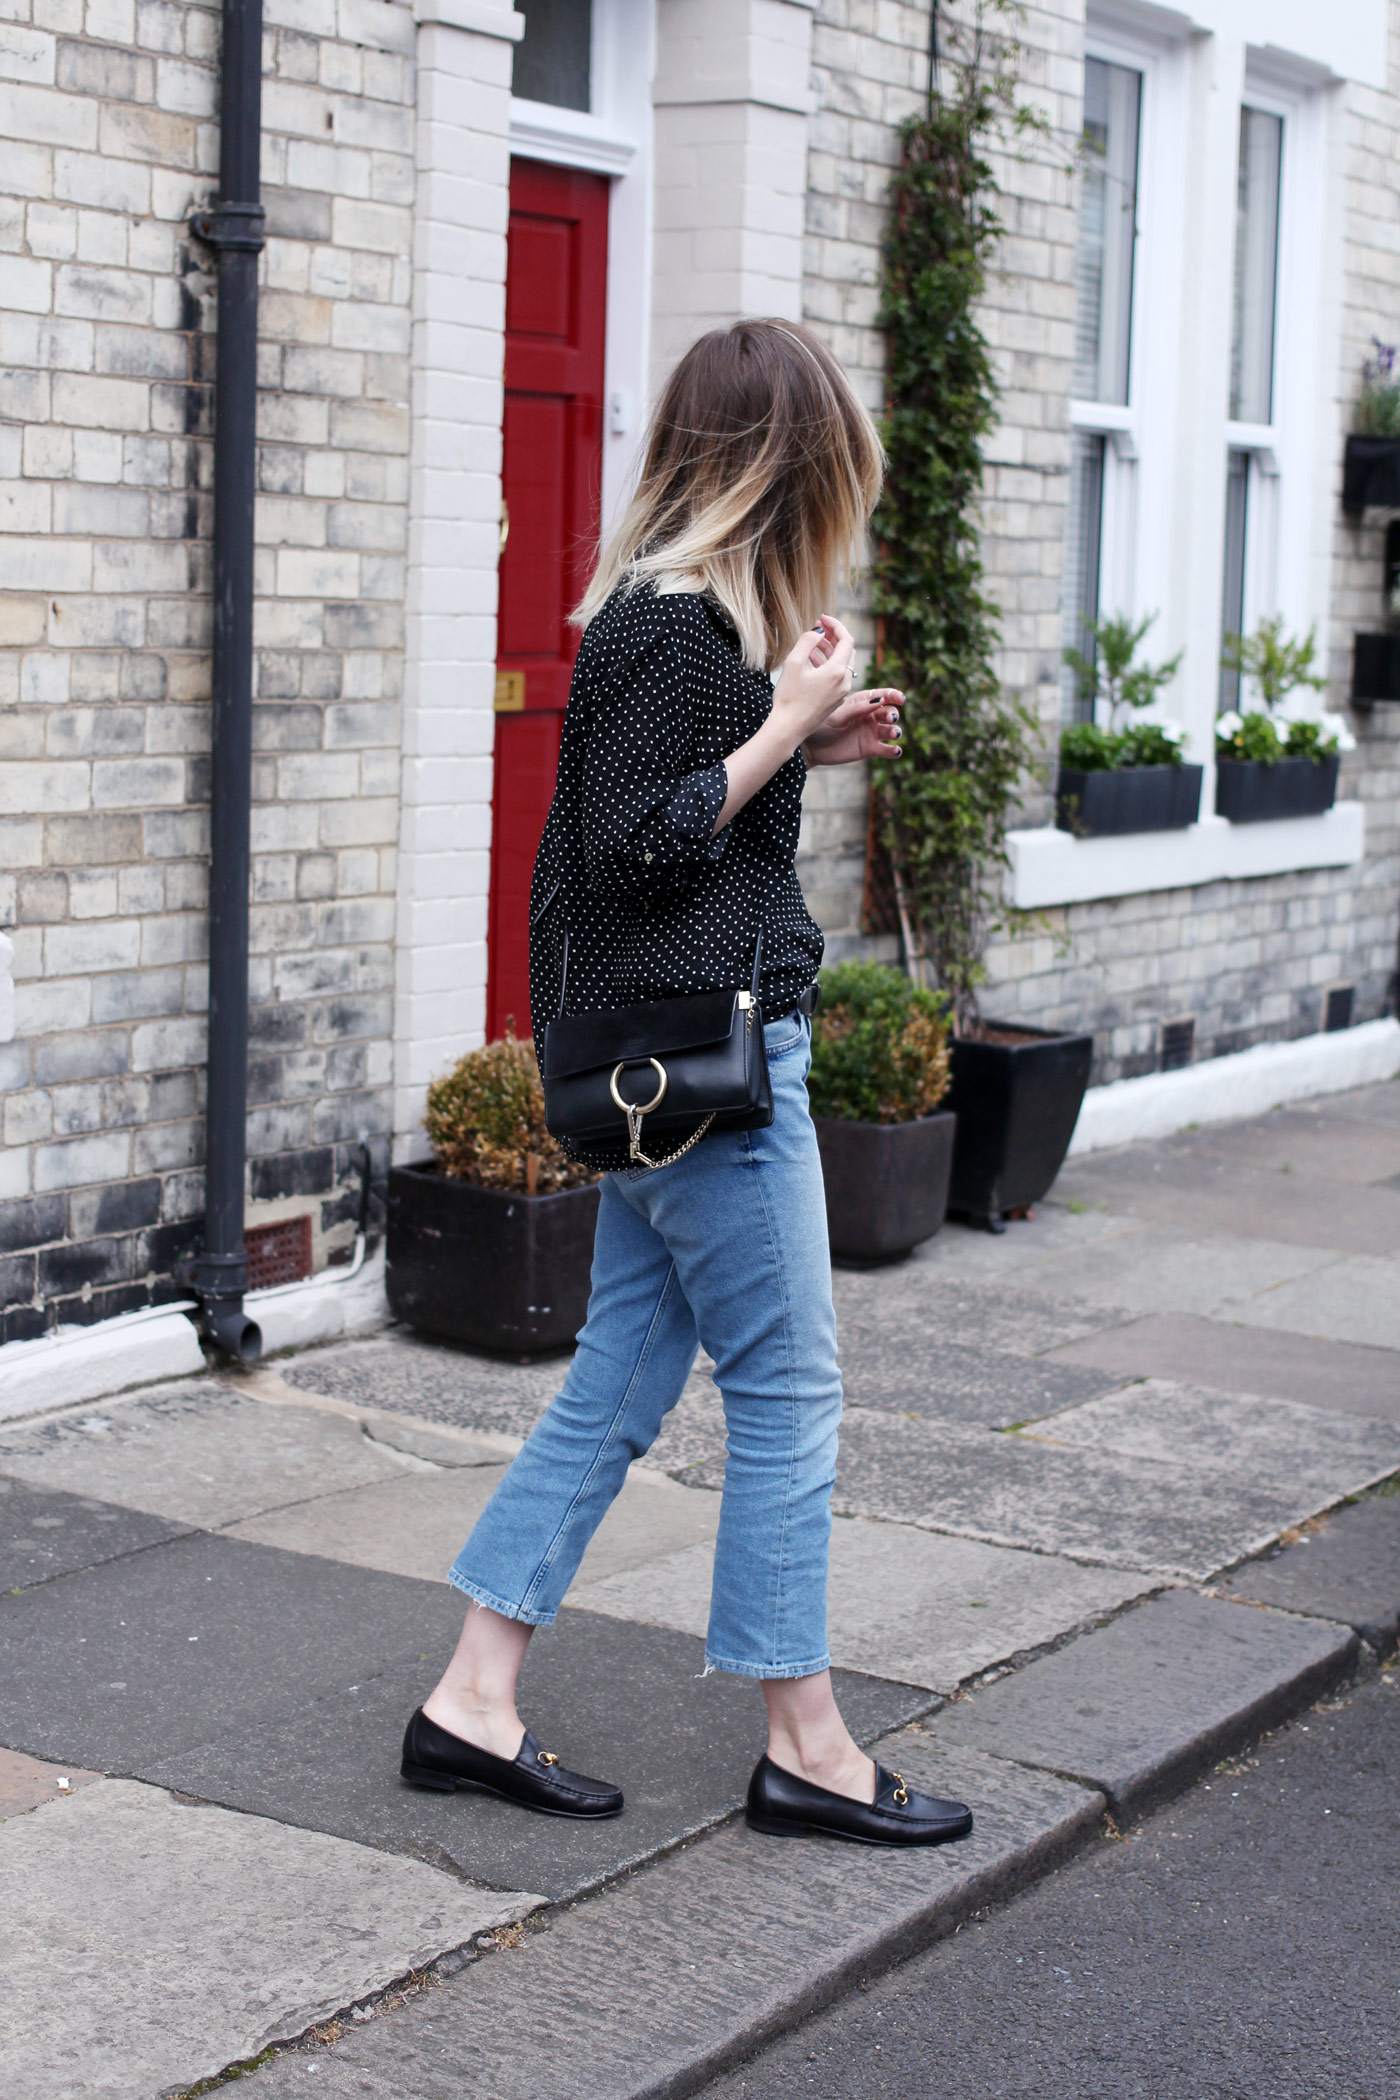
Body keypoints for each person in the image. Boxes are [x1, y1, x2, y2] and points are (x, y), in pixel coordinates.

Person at [400, 318, 974, 1849]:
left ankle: (471, 1696)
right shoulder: (668, 629)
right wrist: (785, 716)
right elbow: (633, 845)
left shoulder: (674, 634)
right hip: (714, 1075)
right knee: (791, 1393)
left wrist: (803, 743)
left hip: (678, 1069)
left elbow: (664, 820)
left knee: (619, 1385)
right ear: (775, 475)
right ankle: (809, 1745)